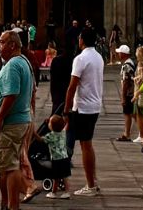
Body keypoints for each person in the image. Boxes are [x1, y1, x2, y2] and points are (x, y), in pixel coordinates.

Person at [0, 29, 33, 210]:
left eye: (2, 42)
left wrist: (0, 118)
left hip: (9, 123)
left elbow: (10, 94)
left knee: (10, 168)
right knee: (10, 164)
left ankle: (12, 205)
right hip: (20, 120)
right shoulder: (24, 62)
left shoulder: (12, 66)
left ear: (12, 45)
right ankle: (9, 204)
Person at [61, 26, 105, 195]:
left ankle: (90, 185)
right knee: (88, 144)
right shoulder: (99, 57)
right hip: (94, 105)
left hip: (82, 107)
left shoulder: (80, 59)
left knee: (82, 144)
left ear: (82, 40)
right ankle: (92, 181)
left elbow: (72, 86)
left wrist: (66, 109)